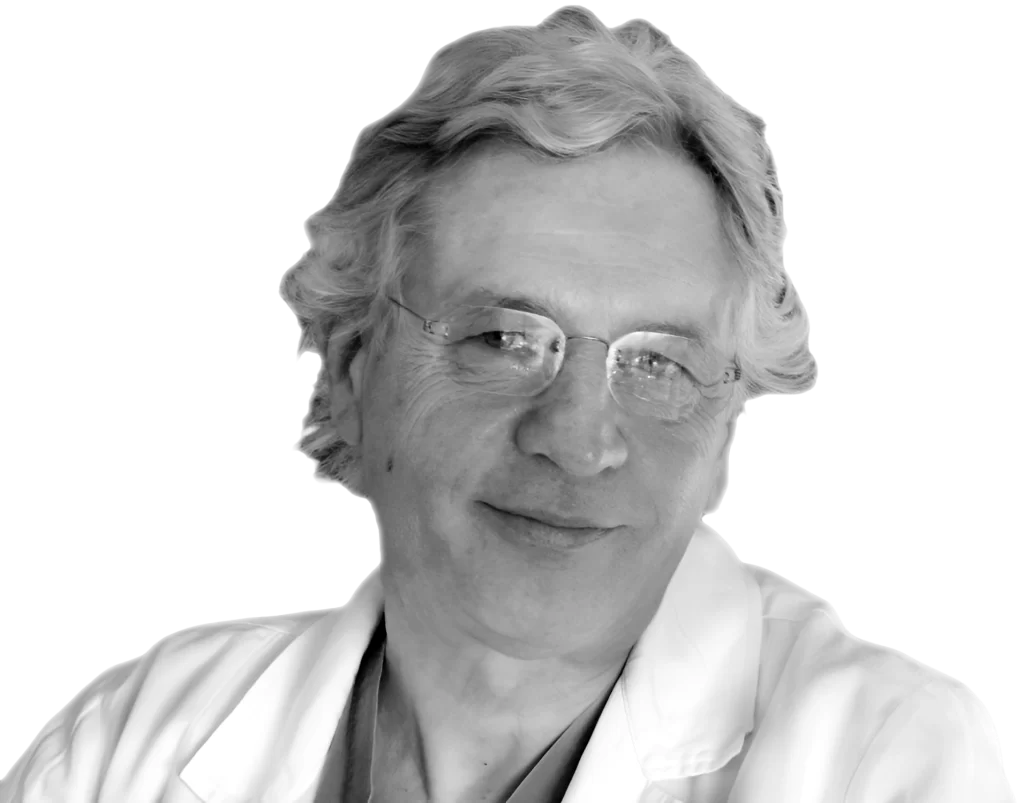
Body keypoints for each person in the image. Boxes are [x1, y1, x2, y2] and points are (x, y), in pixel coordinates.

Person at [2, 6, 1014, 803]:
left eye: (659, 362)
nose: (577, 439)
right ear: (348, 375)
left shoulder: (884, 755)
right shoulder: (129, 740)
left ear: (724, 441)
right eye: (501, 338)